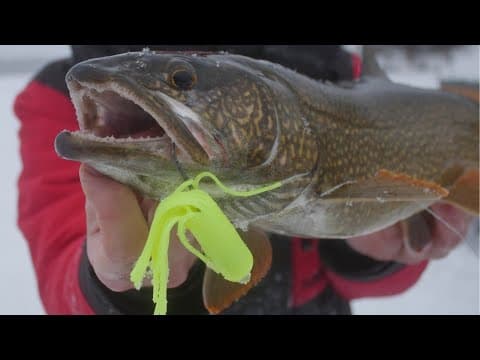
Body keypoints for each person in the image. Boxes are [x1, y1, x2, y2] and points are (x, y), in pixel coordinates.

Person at [14, 45, 473, 315]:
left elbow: (374, 277)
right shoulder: (56, 98)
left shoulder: (332, 71)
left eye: (180, 80)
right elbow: (59, 278)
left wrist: (379, 254)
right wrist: (109, 286)